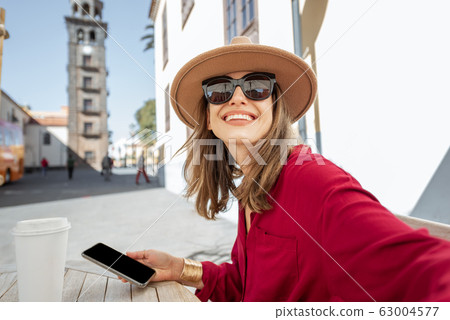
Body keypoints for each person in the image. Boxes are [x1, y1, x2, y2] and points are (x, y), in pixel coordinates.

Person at [121, 37, 450, 301]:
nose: (237, 98)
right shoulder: (251, 184)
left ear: (275, 108)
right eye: (220, 90)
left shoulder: (313, 179)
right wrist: (180, 268)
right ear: (208, 116)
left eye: (257, 87)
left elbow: (429, 272)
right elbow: (245, 284)